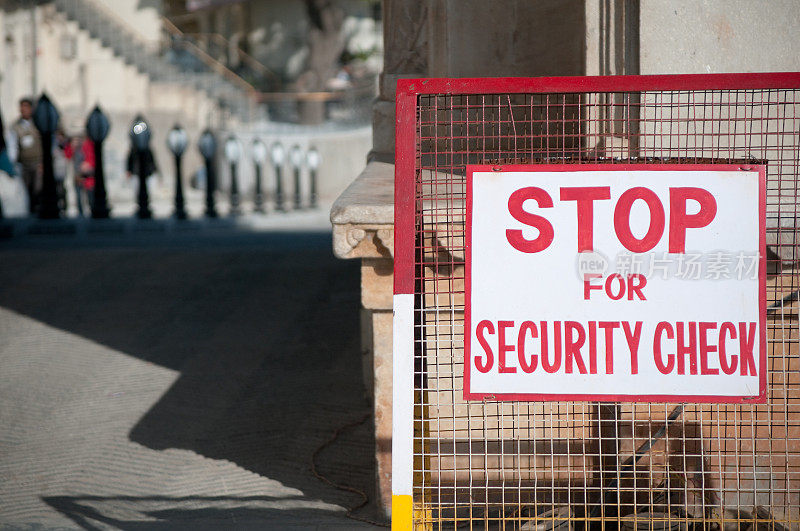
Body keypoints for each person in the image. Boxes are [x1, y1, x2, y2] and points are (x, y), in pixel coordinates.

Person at [10, 98, 43, 214]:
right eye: (21, 107)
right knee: (26, 191)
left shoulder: (38, 124)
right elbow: (13, 146)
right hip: (24, 164)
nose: (23, 110)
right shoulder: (16, 126)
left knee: (38, 189)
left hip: (38, 162)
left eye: (26, 107)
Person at [64, 135, 95, 217]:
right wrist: (69, 146)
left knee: (90, 197)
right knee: (78, 197)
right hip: (77, 177)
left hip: (87, 177)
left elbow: (91, 158)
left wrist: (87, 165)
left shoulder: (87, 146)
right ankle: (81, 214)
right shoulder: (73, 149)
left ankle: (92, 212)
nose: (76, 142)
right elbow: (67, 155)